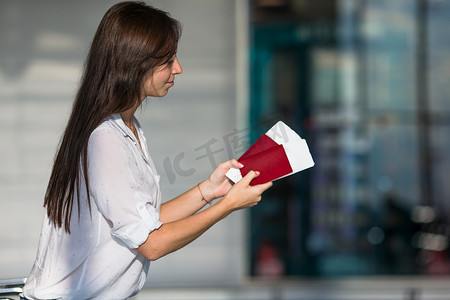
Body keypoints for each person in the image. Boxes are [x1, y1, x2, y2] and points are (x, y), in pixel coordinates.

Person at [21, 1, 272, 299]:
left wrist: (209, 191)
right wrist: (227, 206)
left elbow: (144, 222)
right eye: (167, 61)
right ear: (134, 65)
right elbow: (151, 244)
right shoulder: (105, 139)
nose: (178, 68)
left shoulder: (129, 128)